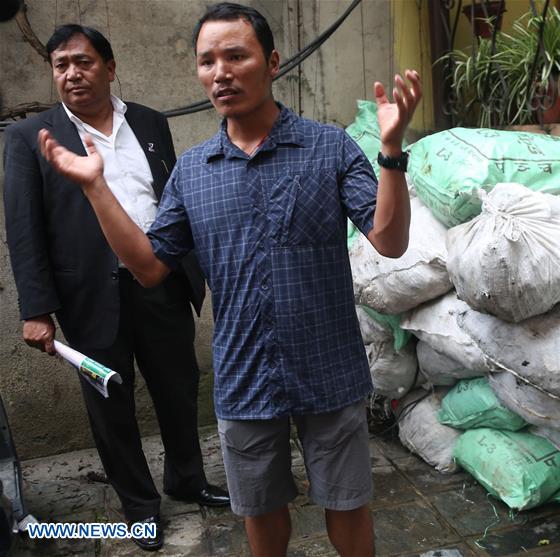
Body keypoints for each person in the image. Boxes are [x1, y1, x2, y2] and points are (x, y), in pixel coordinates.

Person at [36, 3, 421, 556]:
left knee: (347, 505)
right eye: (207, 61)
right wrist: (96, 188)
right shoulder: (193, 171)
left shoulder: (329, 147)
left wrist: (391, 151)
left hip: (329, 367)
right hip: (244, 375)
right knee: (260, 515)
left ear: (272, 62)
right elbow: (149, 266)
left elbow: (390, 241)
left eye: (236, 56)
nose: (221, 73)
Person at [3, 24, 229, 552]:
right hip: (88, 297)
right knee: (110, 405)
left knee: (179, 388)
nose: (71, 74)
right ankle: (140, 508)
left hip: (161, 280)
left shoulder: (149, 122)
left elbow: (170, 197)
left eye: (82, 62)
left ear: (109, 67)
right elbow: (24, 229)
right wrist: (37, 310)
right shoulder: (30, 137)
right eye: (61, 65)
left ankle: (187, 478)